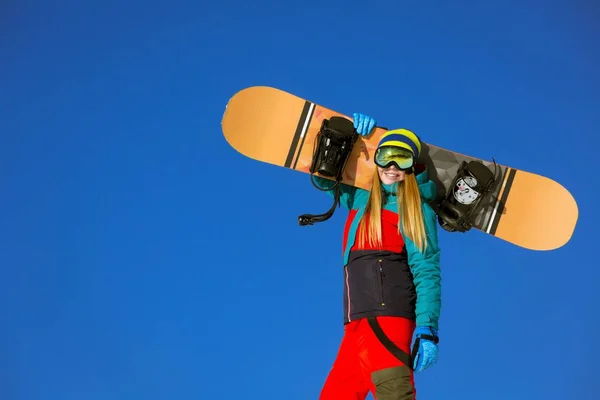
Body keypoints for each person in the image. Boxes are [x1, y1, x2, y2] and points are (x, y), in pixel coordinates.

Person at [314, 113, 442, 400]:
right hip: (355, 322)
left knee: (394, 394)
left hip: (389, 319)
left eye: (403, 160)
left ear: (412, 167)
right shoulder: (361, 198)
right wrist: (357, 140)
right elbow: (326, 181)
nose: (393, 168)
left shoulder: (416, 209)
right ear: (378, 159)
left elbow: (427, 270)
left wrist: (427, 328)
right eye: (386, 157)